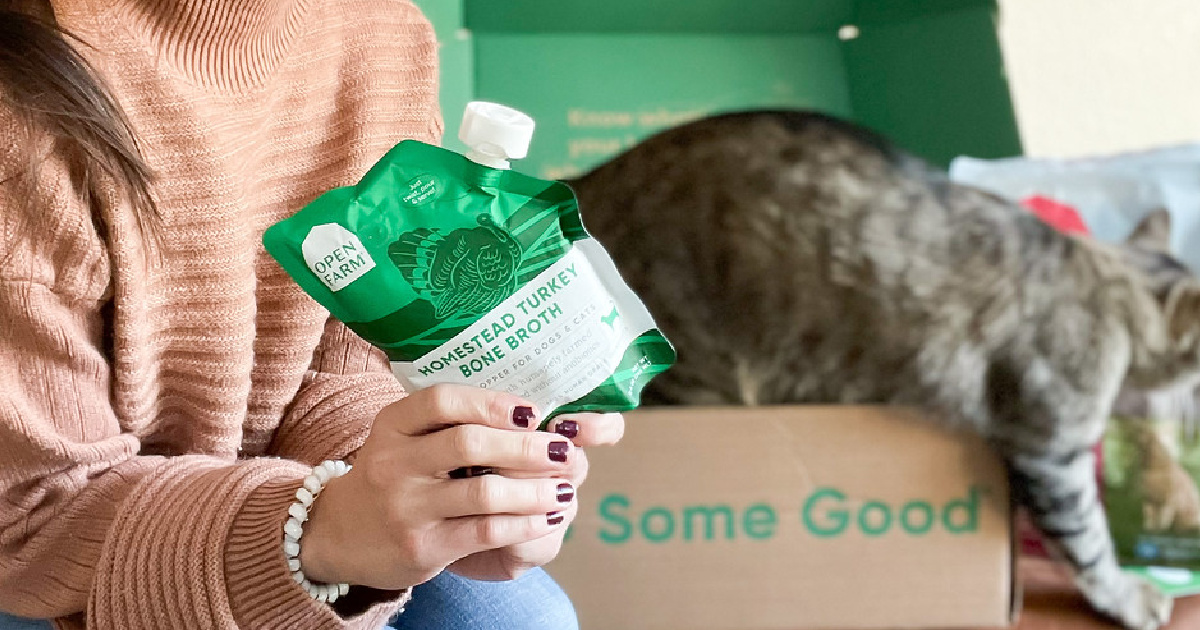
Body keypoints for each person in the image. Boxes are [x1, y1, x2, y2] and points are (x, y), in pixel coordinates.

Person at [0, 1, 625, 628]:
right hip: (41, 561)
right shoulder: (24, 86)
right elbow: (28, 517)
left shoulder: (384, 35)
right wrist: (319, 531)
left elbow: (338, 373)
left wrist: (432, 478)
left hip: (258, 513)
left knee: (515, 617)